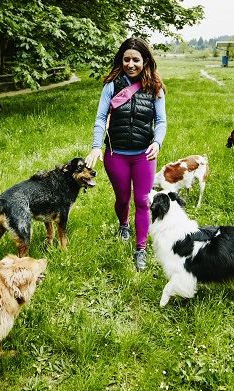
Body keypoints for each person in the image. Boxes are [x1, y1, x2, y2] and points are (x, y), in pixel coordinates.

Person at [85, 37, 167, 271]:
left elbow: (160, 121)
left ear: (146, 61)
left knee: (142, 201)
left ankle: (140, 248)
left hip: (144, 155)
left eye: (136, 60)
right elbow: (101, 118)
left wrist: (157, 143)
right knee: (122, 200)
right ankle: (124, 224)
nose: (131, 64)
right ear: (121, 60)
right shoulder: (111, 85)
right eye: (126, 59)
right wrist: (95, 146)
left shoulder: (155, 88)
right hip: (116, 154)